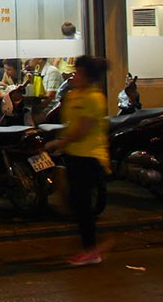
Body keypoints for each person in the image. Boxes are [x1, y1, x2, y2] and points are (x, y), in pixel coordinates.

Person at [46, 55, 110, 266]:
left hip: (90, 157)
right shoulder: (75, 94)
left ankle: (91, 250)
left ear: (88, 76)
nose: (75, 75)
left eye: (79, 72)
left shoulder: (94, 98)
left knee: (81, 205)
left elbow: (82, 129)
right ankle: (89, 247)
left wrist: (60, 143)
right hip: (75, 155)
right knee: (76, 203)